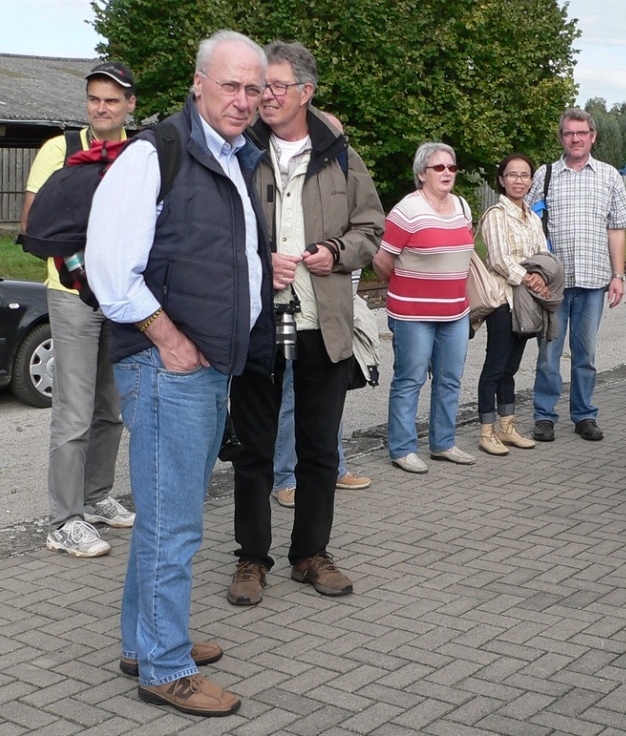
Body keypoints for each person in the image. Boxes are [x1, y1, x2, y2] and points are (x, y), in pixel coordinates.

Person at [86, 30, 273, 716]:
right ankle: (164, 667)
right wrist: (167, 338)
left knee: (169, 517)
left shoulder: (231, 156)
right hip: (169, 367)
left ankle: (146, 641)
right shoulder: (156, 152)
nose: (245, 100)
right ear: (199, 84)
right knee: (173, 527)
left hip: (205, 367)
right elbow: (110, 270)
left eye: (255, 89)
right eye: (231, 85)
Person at [227, 42, 384, 607]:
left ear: (305, 92)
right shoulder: (238, 151)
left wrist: (335, 250)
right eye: (258, 87)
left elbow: (372, 227)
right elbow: (214, 231)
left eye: (274, 87)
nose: (263, 96)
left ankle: (310, 554)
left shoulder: (341, 156)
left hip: (324, 322)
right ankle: (251, 557)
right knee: (254, 450)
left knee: (319, 448)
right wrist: (253, 262)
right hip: (256, 322)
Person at [22, 61, 137, 558]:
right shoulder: (60, 149)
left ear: (130, 104)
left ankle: (95, 498)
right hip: (71, 293)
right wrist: (81, 257)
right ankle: (63, 520)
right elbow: (34, 225)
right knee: (72, 412)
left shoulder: (140, 152)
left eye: (112, 99)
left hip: (121, 294)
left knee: (109, 409)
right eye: (94, 98)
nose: (102, 107)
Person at [524, 108, 626, 442]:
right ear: (561, 137)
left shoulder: (609, 176)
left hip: (593, 282)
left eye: (581, 133)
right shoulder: (544, 176)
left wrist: (618, 275)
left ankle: (584, 414)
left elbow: (616, 229)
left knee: (585, 354)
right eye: (569, 133)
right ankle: (544, 416)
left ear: (592, 136)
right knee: (548, 354)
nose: (575, 139)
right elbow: (528, 225)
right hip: (553, 286)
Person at [373, 142, 475, 474]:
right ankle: (402, 448)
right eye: (439, 168)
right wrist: (408, 285)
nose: (447, 173)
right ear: (421, 174)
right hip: (413, 314)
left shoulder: (461, 206)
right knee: (410, 379)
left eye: (452, 168)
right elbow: (382, 260)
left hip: (456, 312)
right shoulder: (406, 211)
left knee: (449, 379)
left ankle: (443, 443)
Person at [476, 153, 550, 455]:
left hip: (526, 302)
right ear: (501, 180)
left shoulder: (532, 217)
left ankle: (507, 426)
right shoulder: (496, 214)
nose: (518, 180)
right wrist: (529, 277)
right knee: (494, 366)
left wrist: (541, 277)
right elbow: (499, 259)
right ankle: (486, 431)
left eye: (524, 175)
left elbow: (543, 254)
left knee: (510, 368)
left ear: (531, 181)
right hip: (503, 300)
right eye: (512, 175)